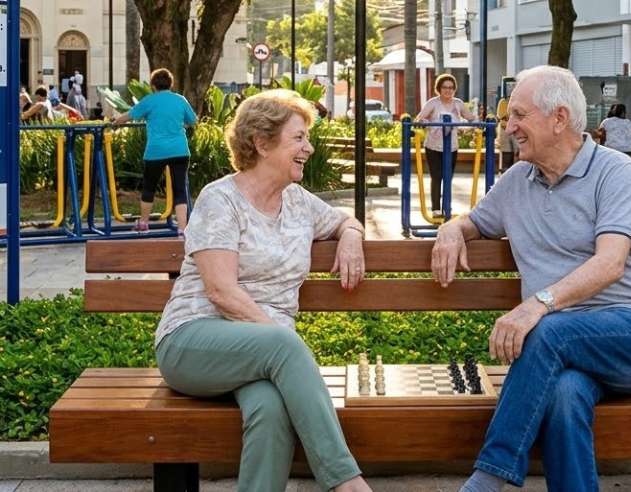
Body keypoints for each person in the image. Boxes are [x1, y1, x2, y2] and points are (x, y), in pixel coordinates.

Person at [430, 66, 631, 492]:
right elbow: (473, 222)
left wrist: (535, 305)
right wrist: (451, 230)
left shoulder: (613, 171)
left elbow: (611, 263)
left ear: (559, 119)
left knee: (546, 332)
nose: (510, 127)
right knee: (563, 397)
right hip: (566, 354)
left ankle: (487, 479)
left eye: (520, 116)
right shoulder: (516, 182)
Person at [153, 89, 374, 492]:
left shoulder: (299, 202)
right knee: (284, 343)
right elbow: (221, 292)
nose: (308, 147)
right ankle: (347, 483)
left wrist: (352, 236)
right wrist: (276, 340)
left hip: (259, 355)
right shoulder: (221, 199)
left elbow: (344, 220)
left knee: (271, 410)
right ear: (261, 143)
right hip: (193, 339)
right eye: (298, 138)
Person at [112, 68, 198, 236]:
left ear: (152, 85)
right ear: (171, 84)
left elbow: (129, 115)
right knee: (180, 189)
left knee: (149, 187)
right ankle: (182, 229)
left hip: (156, 151)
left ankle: (144, 223)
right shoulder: (180, 100)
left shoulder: (149, 101)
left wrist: (115, 122)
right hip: (179, 150)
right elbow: (193, 120)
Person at [417, 74, 474, 217]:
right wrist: (423, 122)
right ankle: (436, 209)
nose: (448, 90)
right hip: (434, 146)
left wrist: (476, 123)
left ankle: (446, 207)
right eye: (444, 87)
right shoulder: (433, 103)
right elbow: (420, 118)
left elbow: (471, 117)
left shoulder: (458, 104)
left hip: (451, 146)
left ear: (454, 89)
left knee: (448, 177)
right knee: (436, 176)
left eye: (450, 88)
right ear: (439, 88)